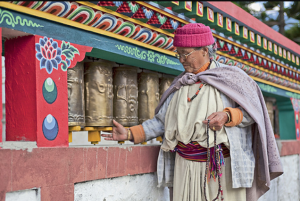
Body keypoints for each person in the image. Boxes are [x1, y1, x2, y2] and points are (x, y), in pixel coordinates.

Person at [101, 23, 283, 201]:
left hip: (219, 168)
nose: (181, 59)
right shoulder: (180, 84)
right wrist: (130, 133)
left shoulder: (232, 78)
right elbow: (161, 122)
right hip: (184, 166)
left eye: (185, 54)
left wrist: (228, 116)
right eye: (178, 54)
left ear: (204, 50)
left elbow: (255, 112)